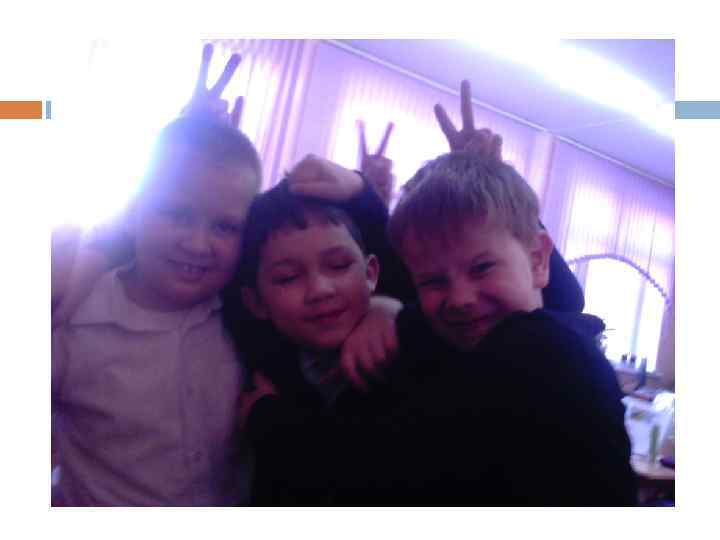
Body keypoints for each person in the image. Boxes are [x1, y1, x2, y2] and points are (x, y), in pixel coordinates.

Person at [379, 150, 637, 505]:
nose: (460, 299)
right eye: (433, 282)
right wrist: (383, 309)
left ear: (538, 260)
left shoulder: (549, 352)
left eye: (482, 268)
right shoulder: (445, 347)